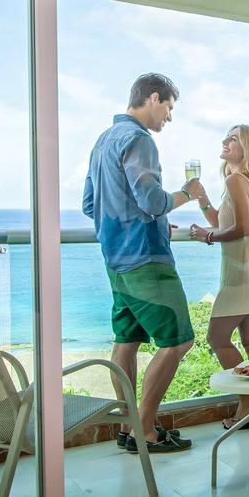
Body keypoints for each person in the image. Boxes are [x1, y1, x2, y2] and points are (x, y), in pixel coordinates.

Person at [82, 72, 198, 453]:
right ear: (153, 98)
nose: (169, 117)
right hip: (147, 259)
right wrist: (185, 194)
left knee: (127, 341)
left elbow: (89, 205)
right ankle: (142, 429)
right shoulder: (139, 139)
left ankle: (131, 426)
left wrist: (156, 217)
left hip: (115, 261)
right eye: (168, 107)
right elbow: (151, 201)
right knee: (179, 341)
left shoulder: (103, 141)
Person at [188, 124, 249, 428]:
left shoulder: (236, 179)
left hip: (240, 275)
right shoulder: (246, 181)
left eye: (234, 138)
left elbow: (242, 229)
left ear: (247, 149)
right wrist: (202, 199)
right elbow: (222, 220)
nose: (225, 141)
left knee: (217, 337)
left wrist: (207, 238)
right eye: (227, 137)